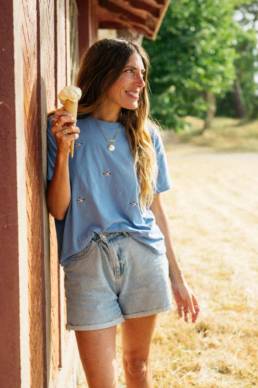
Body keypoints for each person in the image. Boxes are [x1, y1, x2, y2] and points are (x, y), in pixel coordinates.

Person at [47, 38, 200, 388]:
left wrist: (178, 278)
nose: (140, 83)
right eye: (131, 71)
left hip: (143, 255)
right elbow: (57, 209)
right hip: (87, 261)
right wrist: (63, 152)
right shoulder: (64, 127)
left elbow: (156, 210)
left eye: (142, 74)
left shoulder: (146, 136)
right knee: (101, 381)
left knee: (137, 366)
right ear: (104, 73)